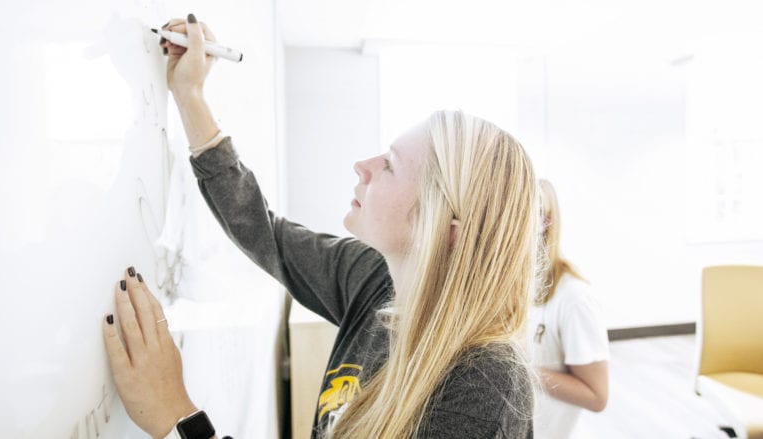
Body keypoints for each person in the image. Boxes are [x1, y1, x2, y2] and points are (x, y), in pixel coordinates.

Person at [102, 14, 540, 439]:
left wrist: (177, 419)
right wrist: (190, 95)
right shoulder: (375, 279)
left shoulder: (485, 387)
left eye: (390, 165)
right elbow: (262, 231)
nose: (363, 167)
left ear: (444, 230)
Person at [527, 179, 610, 438]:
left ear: (545, 222)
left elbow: (597, 396)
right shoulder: (510, 288)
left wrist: (520, 372)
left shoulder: (575, 299)